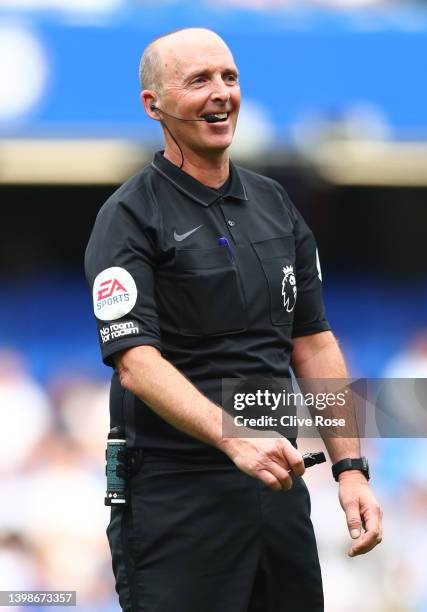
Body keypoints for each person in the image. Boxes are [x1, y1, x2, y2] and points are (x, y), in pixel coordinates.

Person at [84, 28, 383, 612]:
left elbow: (314, 343)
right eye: (198, 80)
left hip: (279, 493)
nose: (221, 93)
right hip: (175, 497)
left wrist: (350, 469)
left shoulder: (276, 203)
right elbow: (137, 364)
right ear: (154, 105)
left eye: (230, 77)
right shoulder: (127, 217)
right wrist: (236, 438)